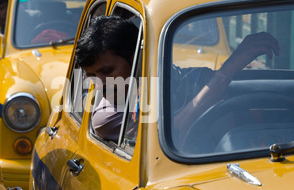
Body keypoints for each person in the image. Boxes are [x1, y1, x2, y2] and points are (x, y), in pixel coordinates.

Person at [75, 15, 280, 143]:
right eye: (92, 75)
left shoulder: (166, 79)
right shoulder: (107, 117)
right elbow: (178, 128)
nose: (100, 83)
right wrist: (230, 67)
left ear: (138, 59)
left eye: (108, 71)